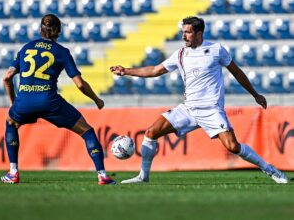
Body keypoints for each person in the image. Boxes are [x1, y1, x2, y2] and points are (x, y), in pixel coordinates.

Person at [110, 16, 288, 184]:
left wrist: (255, 94)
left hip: (211, 109)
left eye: (187, 32)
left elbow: (237, 72)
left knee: (233, 147)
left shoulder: (216, 50)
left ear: (199, 33)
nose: (183, 36)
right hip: (188, 109)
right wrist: (126, 71)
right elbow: (155, 70)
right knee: (151, 133)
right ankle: (143, 176)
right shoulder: (180, 54)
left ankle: (270, 169)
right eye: (183, 32)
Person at [1, 14, 115, 185]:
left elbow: (7, 77)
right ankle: (102, 175)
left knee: (11, 123)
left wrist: (14, 103)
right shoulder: (62, 52)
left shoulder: (25, 48)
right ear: (58, 31)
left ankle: (13, 172)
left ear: (41, 29)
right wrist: (96, 99)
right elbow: (80, 85)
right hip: (49, 101)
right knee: (87, 131)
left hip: (24, 101)